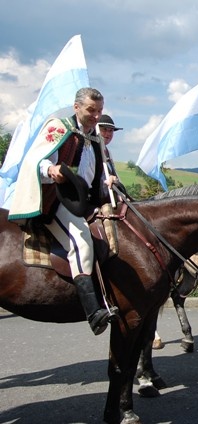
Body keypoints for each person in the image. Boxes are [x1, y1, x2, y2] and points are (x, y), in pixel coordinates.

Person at [8, 87, 119, 335]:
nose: (95, 115)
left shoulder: (96, 139)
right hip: (57, 199)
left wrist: (108, 181)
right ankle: (92, 309)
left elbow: (94, 176)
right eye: (91, 110)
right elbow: (38, 160)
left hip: (85, 201)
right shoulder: (59, 127)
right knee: (81, 240)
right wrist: (51, 171)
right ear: (76, 107)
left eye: (99, 111)